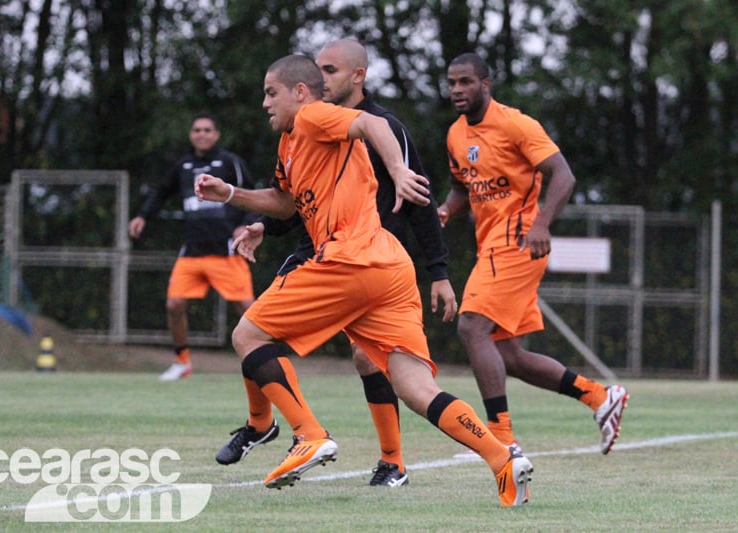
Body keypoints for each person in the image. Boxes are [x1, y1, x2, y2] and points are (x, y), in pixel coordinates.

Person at [195, 53, 533, 506]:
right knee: (415, 387)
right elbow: (285, 201)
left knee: (249, 335)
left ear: (299, 92)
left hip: (351, 258)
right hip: (388, 267)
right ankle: (502, 459)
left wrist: (397, 170)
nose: (263, 103)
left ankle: (308, 434)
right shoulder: (292, 142)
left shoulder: (315, 114)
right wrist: (233, 194)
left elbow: (375, 126)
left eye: (270, 92)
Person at [220, 39, 457, 488]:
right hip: (323, 251)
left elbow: (421, 202)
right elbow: (298, 200)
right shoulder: (303, 127)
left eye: (328, 70)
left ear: (357, 76)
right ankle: (265, 424)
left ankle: (383, 459)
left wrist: (439, 270)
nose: (319, 78)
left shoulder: (381, 125)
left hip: (368, 257)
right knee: (258, 330)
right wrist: (261, 226)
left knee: (360, 357)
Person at [438, 52, 628, 454]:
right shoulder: (455, 134)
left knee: (471, 327)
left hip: (519, 240)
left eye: (466, 82)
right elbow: (461, 187)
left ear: (485, 84)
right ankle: (598, 397)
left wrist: (542, 223)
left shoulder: (515, 123)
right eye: (452, 82)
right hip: (491, 243)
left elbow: (564, 174)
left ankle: (502, 438)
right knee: (509, 355)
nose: (457, 89)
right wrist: (446, 210)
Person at [128, 113, 257, 381]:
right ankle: (182, 361)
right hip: (193, 250)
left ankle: (261, 360)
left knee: (248, 308)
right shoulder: (183, 165)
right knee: (174, 304)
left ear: (216, 134)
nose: (201, 134)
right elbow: (162, 192)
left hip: (226, 250)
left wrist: (245, 224)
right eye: (197, 129)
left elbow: (255, 194)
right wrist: (142, 215)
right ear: (191, 134)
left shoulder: (230, 162)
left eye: (207, 129)